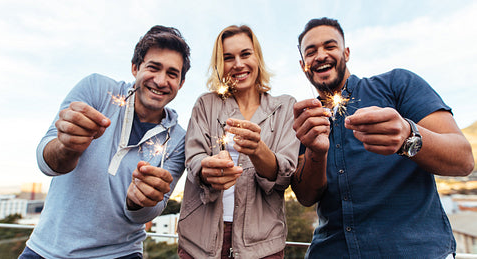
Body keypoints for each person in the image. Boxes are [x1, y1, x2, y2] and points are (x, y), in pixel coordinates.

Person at [291, 17, 474, 259]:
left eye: (330, 46)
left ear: (346, 52)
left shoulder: (398, 84)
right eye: (311, 52)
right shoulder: (305, 120)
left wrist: (408, 136)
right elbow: (305, 197)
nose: (321, 55)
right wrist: (316, 152)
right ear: (304, 64)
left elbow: (463, 160)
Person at [19, 25, 191, 259]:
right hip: (45, 250)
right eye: (153, 67)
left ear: (180, 84)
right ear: (135, 68)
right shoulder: (97, 90)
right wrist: (67, 147)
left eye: (172, 74)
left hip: (121, 254)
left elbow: (147, 214)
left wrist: (137, 202)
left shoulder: (179, 139)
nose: (161, 81)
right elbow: (47, 162)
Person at [176, 25, 300, 258]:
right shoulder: (206, 104)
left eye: (245, 54)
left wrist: (258, 150)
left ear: (257, 57)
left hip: (262, 245)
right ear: (219, 65)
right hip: (200, 243)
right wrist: (207, 169)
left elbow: (285, 175)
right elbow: (193, 159)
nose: (238, 64)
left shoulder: (284, 108)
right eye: (228, 58)